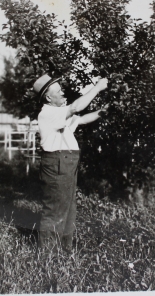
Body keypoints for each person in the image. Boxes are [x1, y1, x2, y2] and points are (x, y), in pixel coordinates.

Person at [33, 74, 108, 254]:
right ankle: (48, 256)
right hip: (57, 163)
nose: (62, 92)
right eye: (58, 91)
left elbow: (81, 119)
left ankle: (64, 251)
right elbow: (76, 107)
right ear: (49, 97)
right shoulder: (48, 113)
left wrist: (103, 111)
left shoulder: (58, 113)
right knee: (56, 208)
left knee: (68, 207)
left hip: (65, 163)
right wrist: (97, 88)